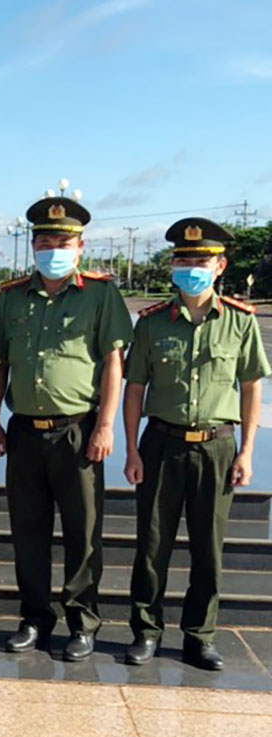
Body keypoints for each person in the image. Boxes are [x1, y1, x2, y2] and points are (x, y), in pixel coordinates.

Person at [0, 197, 133, 661]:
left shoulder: (100, 295)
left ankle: (82, 623)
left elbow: (113, 362)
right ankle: (34, 618)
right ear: (32, 246)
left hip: (78, 431)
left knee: (82, 532)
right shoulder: (10, 298)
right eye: (45, 242)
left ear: (80, 246)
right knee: (27, 530)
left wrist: (106, 425)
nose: (53, 249)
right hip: (25, 431)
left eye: (62, 242)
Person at [123, 218, 270, 671]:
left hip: (217, 445)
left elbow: (250, 388)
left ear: (220, 265)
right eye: (183, 260)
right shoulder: (150, 324)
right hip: (161, 443)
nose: (191, 267)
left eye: (201, 260)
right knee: (152, 545)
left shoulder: (240, 323)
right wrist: (131, 450)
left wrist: (246, 451)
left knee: (208, 546)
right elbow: (135, 390)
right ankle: (146, 631)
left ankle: (199, 635)